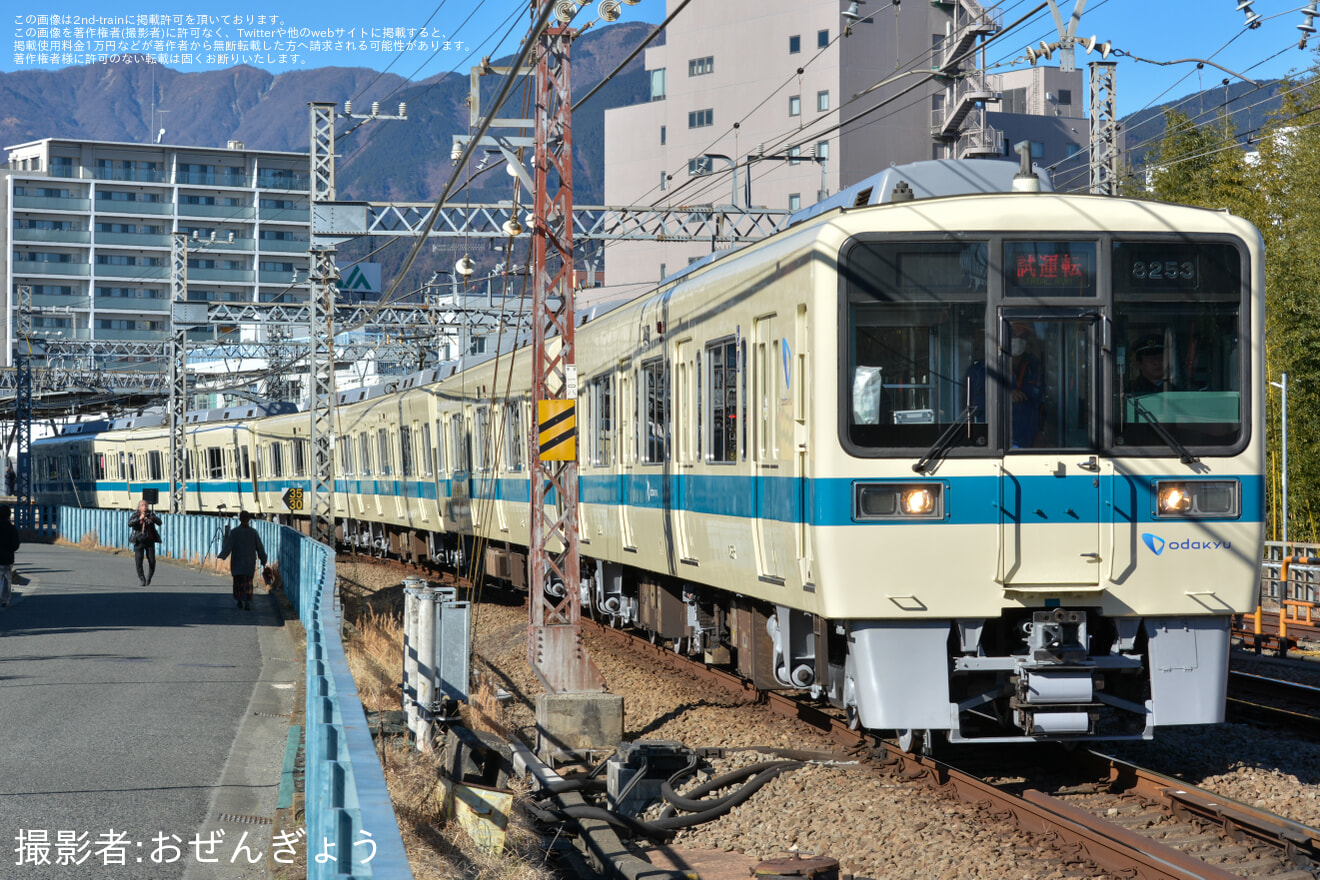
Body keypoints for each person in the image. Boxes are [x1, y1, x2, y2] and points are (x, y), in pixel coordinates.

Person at [218, 510, 268, 611]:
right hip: (249, 563)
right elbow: (260, 548)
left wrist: (222, 556)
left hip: (237, 562)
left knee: (238, 582)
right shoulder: (253, 533)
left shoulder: (235, 532)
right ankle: (248, 600)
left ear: (240, 519)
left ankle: (239, 600)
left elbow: (228, 546)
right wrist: (263, 559)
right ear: (249, 519)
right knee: (248, 582)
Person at [1009, 322, 1044, 448]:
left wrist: (1042, 432)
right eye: (1013, 334)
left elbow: (1043, 404)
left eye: (1023, 336)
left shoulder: (1035, 366)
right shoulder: (985, 367)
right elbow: (974, 405)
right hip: (997, 443)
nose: (1018, 339)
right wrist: (1003, 395)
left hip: (1029, 444)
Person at [128, 499, 162, 587]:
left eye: (146, 505)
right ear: (139, 507)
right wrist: (139, 519)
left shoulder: (151, 514)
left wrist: (152, 518)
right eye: (142, 505)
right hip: (139, 541)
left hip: (149, 541)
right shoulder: (136, 515)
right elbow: (130, 523)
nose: (145, 507)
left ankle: (149, 577)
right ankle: (142, 579)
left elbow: (159, 522)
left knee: (152, 561)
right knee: (139, 561)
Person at [0, 504, 20, 607]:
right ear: (9, 515)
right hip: (7, 559)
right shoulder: (11, 528)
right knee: (7, 580)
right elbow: (15, 544)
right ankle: (4, 600)